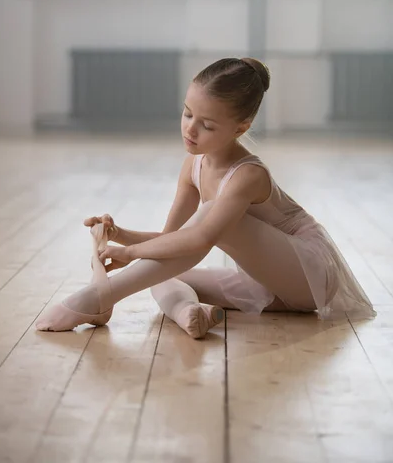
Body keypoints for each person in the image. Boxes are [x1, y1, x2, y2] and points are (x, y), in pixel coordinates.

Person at [36, 57, 376, 337]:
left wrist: (130, 252)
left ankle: (98, 296)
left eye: (207, 125)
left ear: (241, 128)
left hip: (309, 275)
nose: (190, 130)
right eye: (187, 114)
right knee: (164, 274)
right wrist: (121, 235)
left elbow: (199, 237)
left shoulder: (248, 175)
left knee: (207, 221)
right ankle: (188, 312)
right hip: (269, 283)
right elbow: (174, 240)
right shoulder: (193, 167)